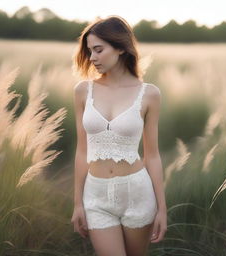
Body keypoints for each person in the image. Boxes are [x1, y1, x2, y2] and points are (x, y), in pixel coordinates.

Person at [71, 15, 167, 256]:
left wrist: (162, 209)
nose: (92, 58)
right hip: (96, 197)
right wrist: (77, 203)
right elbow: (82, 151)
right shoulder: (83, 91)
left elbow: (152, 156)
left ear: (121, 48)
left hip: (137, 193)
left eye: (98, 50)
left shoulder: (149, 94)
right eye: (90, 51)